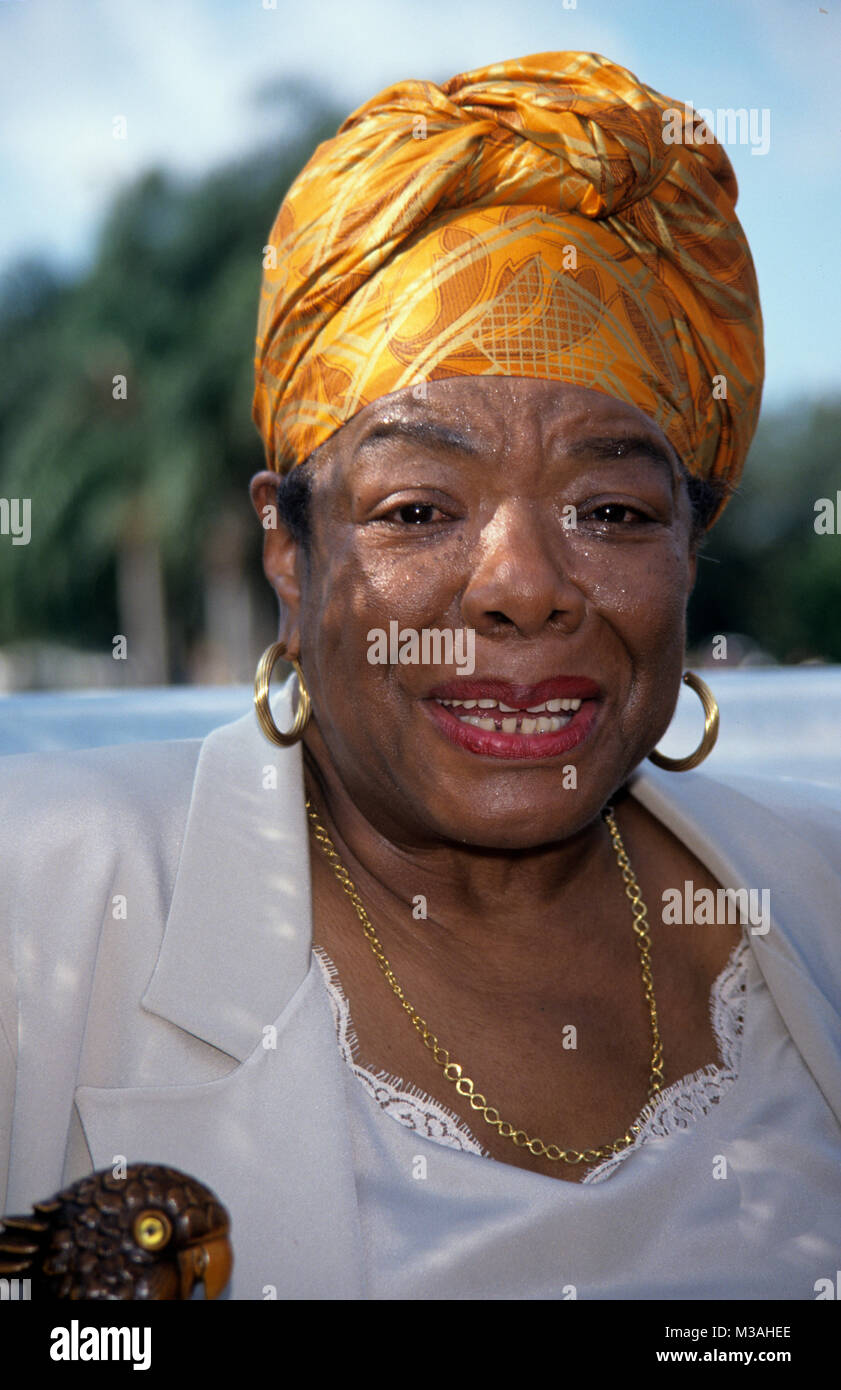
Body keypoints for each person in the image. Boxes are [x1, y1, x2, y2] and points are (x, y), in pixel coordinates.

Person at [1, 52, 840, 1302]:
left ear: (688, 552)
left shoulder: (816, 888)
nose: (523, 584)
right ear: (290, 553)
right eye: (416, 508)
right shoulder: (46, 896)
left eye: (610, 509)